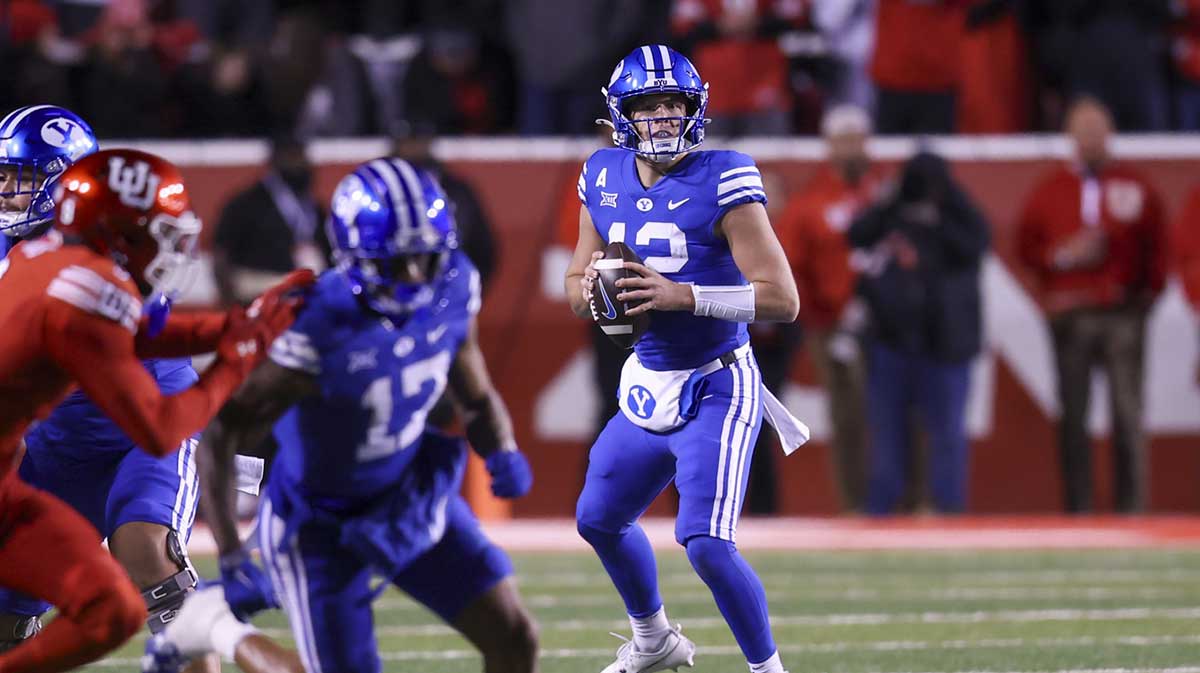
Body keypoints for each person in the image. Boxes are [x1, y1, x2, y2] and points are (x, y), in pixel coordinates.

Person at [157, 157, 540, 673]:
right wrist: (230, 553)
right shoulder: (315, 322)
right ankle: (216, 628)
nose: (410, 277)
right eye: (392, 262)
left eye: (422, 259)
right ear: (351, 256)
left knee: (515, 638)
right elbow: (223, 433)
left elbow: (471, 390)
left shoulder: (452, 285)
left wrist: (502, 450)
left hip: (410, 492)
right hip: (320, 526)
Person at [0, 146, 311, 672]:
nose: (167, 246)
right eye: (147, 230)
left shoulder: (51, 261)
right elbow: (159, 425)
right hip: (57, 444)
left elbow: (139, 338)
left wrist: (241, 326)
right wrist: (237, 358)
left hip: (112, 430)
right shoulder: (80, 279)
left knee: (145, 556)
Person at [566, 45, 806, 673]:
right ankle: (654, 642)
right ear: (621, 114)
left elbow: (782, 299)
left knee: (706, 545)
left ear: (696, 108)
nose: (664, 116)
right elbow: (575, 278)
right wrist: (597, 294)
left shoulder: (726, 175)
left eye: (674, 102)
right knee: (597, 518)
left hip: (718, 382)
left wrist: (681, 296)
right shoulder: (600, 173)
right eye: (650, 104)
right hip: (650, 379)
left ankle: (768, 670)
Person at [0, 104, 209, 673]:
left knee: (148, 552)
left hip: (137, 434)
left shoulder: (113, 246)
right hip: (49, 448)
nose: (6, 192)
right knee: (5, 615)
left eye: (18, 179)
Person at [1016, 97, 1167, 513]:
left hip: (1122, 312)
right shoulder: (1051, 190)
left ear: (1111, 135)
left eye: (1097, 130)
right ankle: (1078, 510)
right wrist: (1062, 257)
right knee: (1073, 418)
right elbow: (1026, 248)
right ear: (1069, 136)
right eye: (1083, 131)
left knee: (1128, 414)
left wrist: (1143, 300)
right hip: (1071, 314)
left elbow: (1158, 247)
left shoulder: (1134, 185)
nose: (1090, 139)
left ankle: (1132, 510)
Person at [848, 150, 989, 515]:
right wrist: (892, 204)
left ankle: (947, 508)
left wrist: (936, 217)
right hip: (893, 340)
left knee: (946, 435)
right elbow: (856, 235)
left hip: (946, 344)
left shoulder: (958, 215)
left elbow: (976, 245)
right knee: (887, 435)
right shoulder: (893, 213)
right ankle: (882, 509)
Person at [782, 104, 882, 513]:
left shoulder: (883, 193)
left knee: (894, 417)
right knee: (849, 418)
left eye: (856, 138)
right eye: (842, 140)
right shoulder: (811, 203)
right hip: (832, 326)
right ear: (828, 145)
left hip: (886, 327)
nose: (850, 148)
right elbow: (790, 263)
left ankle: (902, 502)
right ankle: (856, 504)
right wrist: (823, 314)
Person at [213, 135, 327, 308]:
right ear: (276, 160)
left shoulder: (314, 207)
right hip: (259, 295)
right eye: (292, 157)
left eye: (302, 157)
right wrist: (228, 302)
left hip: (308, 296)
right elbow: (221, 253)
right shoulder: (246, 204)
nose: (300, 164)